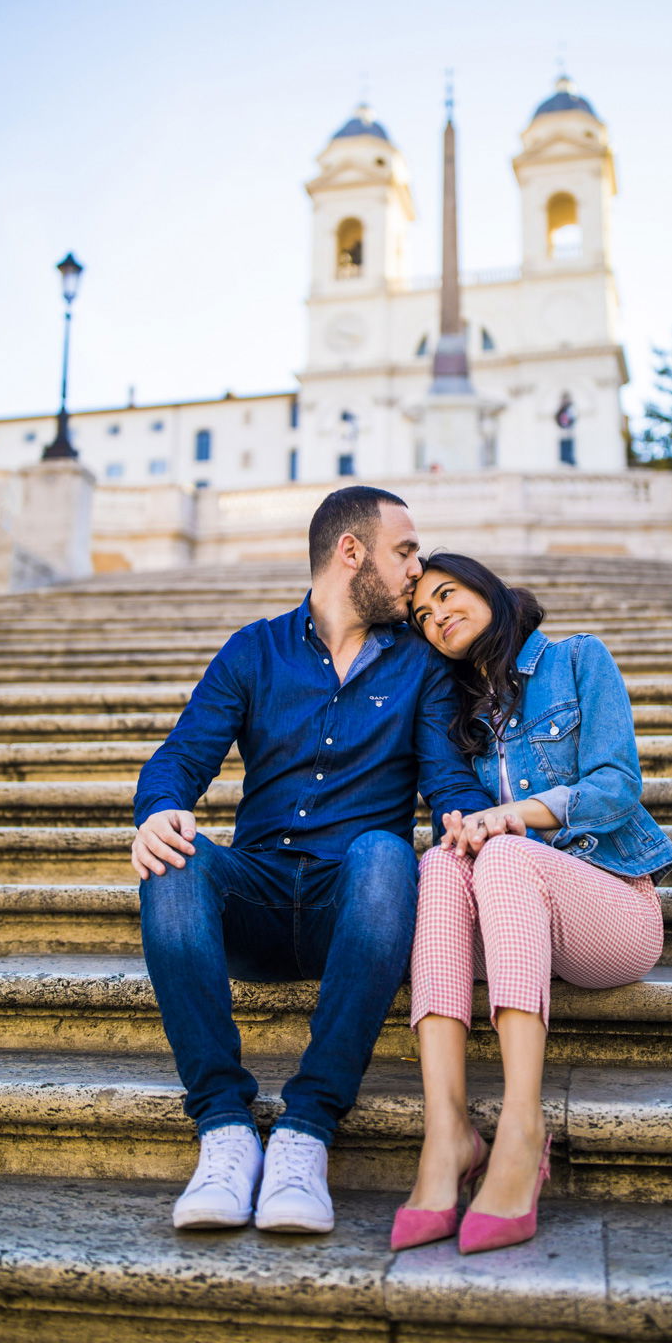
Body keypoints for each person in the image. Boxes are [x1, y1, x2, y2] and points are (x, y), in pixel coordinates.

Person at [131, 490, 496, 1236]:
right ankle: (225, 1131)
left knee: (387, 853)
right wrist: (158, 810)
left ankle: (305, 1135)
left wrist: (471, 814)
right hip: (257, 899)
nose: (416, 571)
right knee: (176, 858)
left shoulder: (420, 666)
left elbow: (445, 776)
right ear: (352, 552)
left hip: (357, 906)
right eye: (404, 552)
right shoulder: (253, 650)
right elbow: (181, 757)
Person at [391, 552, 672, 1256]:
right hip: (516, 919)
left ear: (488, 589)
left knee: (510, 848)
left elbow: (616, 785)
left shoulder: (579, 659)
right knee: (438, 861)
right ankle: (446, 1133)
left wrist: (515, 815)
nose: (437, 618)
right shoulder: (457, 711)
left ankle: (522, 1129)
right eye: (423, 615)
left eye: (448, 595)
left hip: (612, 909)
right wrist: (465, 826)